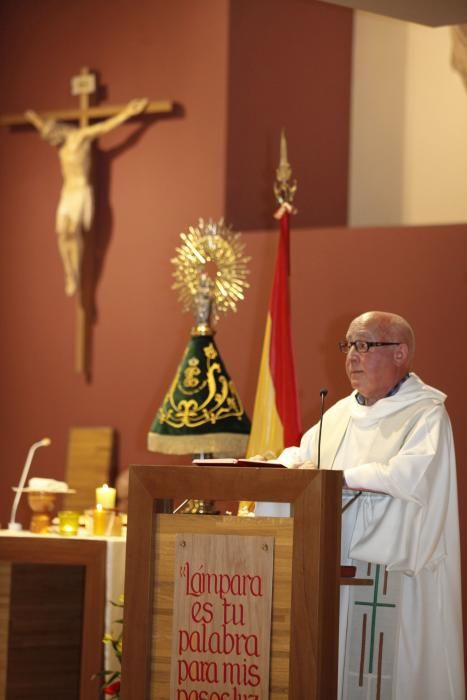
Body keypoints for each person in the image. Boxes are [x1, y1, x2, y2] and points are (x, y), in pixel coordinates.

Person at [260, 311, 464, 700]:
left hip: (396, 580)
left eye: (365, 345)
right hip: (336, 574)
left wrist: (341, 476)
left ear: (401, 353)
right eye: (348, 345)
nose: (352, 355)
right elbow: (302, 453)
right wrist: (278, 468)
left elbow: (408, 475)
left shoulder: (426, 414)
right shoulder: (339, 414)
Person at [25, 98, 148, 296]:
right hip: (67, 191)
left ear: (58, 132)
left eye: (52, 138)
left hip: (81, 190)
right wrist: (33, 118)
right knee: (61, 232)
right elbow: (43, 125)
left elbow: (104, 127)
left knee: (73, 230)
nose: (52, 143)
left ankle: (76, 272)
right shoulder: (60, 142)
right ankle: (69, 272)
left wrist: (128, 112)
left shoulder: (79, 137)